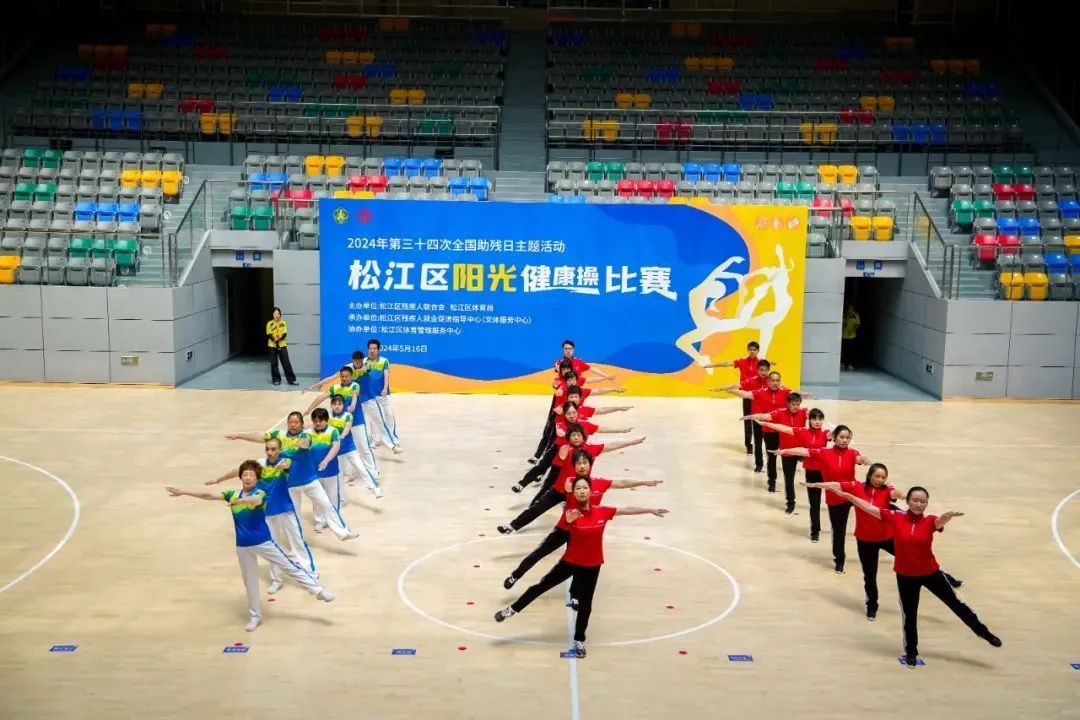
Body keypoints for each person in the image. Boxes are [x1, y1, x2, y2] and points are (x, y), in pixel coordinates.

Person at [494, 475, 669, 659]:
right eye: (578, 488)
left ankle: (579, 640)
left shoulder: (602, 512)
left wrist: (650, 510)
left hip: (592, 566)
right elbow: (566, 490)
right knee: (541, 586)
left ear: (590, 491)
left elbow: (626, 510)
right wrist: (569, 518)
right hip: (569, 562)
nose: (582, 491)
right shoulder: (570, 514)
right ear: (574, 493)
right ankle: (511, 610)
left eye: (585, 488)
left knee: (586, 605)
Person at [828, 484, 1001, 667]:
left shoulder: (929, 521)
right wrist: (848, 496)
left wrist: (947, 516)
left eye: (923, 501)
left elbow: (939, 522)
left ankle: (984, 633)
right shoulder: (895, 517)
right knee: (910, 616)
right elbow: (869, 507)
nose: (919, 504)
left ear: (926, 504)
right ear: (908, 501)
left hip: (931, 573)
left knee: (956, 604)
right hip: (905, 577)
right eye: (915, 500)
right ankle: (911, 653)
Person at [168, 460, 333, 632]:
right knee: (250, 582)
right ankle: (255, 617)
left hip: (264, 542)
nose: (248, 478)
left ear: (257, 478)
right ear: (240, 477)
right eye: (245, 474)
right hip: (243, 546)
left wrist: (240, 502)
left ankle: (318, 591)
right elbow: (208, 495)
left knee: (289, 566)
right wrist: (184, 492)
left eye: (251, 475)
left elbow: (255, 500)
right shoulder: (232, 494)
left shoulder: (260, 493)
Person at [503, 449, 662, 590]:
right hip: (565, 528)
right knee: (540, 552)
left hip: (584, 533)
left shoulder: (600, 483)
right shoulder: (571, 482)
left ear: (590, 464)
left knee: (579, 564)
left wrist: (644, 482)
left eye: (585, 462)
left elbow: (622, 483)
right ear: (574, 466)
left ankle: (575, 596)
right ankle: (515, 575)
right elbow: (567, 487)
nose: (582, 466)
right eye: (578, 463)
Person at [210, 436, 315, 592]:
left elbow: (287, 464)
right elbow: (239, 471)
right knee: (274, 546)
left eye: (273, 449)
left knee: (297, 541)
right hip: (266, 513)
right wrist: (219, 479)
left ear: (280, 450)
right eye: (267, 449)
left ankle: (310, 572)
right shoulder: (259, 465)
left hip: (285, 510)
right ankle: (276, 579)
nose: (270, 452)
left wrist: (285, 463)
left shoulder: (285, 461)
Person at [498, 425, 646, 534]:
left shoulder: (591, 449)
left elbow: (612, 445)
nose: (576, 437)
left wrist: (631, 442)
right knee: (537, 508)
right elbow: (556, 468)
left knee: (580, 522)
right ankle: (512, 526)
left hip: (578, 492)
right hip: (558, 490)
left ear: (584, 436)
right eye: (573, 435)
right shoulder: (564, 449)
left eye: (578, 435)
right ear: (569, 437)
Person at [774, 424, 868, 574]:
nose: (845, 440)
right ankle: (839, 560)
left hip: (852, 492)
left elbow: (859, 458)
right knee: (839, 531)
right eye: (842, 437)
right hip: (835, 498)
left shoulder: (852, 453)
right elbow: (804, 451)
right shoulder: (824, 452)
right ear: (834, 437)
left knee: (873, 511)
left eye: (847, 438)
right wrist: (784, 451)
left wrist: (864, 459)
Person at [721, 370, 806, 488]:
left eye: (777, 380)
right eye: (773, 380)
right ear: (768, 381)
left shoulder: (786, 393)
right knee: (771, 457)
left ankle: (789, 483)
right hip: (769, 431)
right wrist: (729, 390)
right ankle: (772, 481)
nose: (775, 383)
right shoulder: (761, 393)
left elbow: (796, 397)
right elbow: (745, 394)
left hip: (783, 431)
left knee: (788, 457)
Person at [759, 408, 831, 541]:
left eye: (820, 419)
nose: (817, 422)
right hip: (812, 472)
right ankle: (815, 530)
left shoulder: (826, 434)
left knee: (834, 501)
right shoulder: (803, 432)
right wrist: (765, 423)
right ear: (809, 420)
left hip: (826, 471)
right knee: (814, 503)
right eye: (814, 419)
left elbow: (837, 435)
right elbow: (784, 428)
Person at [742, 391, 807, 512]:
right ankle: (790, 502)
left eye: (797, 404)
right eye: (793, 404)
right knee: (789, 478)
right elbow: (765, 416)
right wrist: (751, 416)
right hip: (787, 452)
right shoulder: (780, 413)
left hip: (801, 450)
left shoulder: (804, 412)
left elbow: (814, 416)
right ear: (787, 404)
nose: (795, 407)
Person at [705, 341, 773, 455]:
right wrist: (712, 365)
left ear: (758, 351)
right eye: (750, 349)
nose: (752, 351)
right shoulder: (742, 361)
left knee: (762, 420)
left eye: (755, 349)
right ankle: (748, 445)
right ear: (748, 350)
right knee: (747, 420)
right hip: (746, 394)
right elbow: (727, 363)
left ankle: (766, 446)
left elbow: (768, 371)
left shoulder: (761, 363)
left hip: (760, 397)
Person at [327, 394, 381, 498]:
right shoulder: (328, 416)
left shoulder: (348, 416)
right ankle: (339, 499)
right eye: (334, 404)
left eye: (339, 404)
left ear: (343, 405)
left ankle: (374, 489)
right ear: (331, 405)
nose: (337, 406)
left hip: (349, 449)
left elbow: (347, 429)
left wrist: (341, 435)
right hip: (336, 452)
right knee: (338, 476)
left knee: (361, 468)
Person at [360, 339, 402, 454]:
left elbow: (386, 375)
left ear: (378, 350)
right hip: (371, 395)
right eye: (370, 348)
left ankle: (393, 438)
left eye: (374, 349)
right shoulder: (364, 361)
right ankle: (375, 440)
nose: (372, 351)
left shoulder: (384, 361)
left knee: (389, 415)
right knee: (374, 419)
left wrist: (385, 388)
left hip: (383, 394)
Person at [266, 307, 297, 386]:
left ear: (280, 315)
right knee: (274, 363)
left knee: (286, 362)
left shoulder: (283, 323)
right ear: (272, 315)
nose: (276, 315)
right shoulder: (269, 323)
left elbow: (284, 333)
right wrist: (276, 344)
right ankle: (276, 380)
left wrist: (279, 343)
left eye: (278, 313)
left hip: (282, 345)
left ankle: (292, 380)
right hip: (272, 345)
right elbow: (269, 334)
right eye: (275, 314)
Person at [841, 304, 860, 371]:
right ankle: (844, 363)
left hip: (852, 336)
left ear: (853, 308)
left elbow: (858, 324)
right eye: (848, 308)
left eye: (851, 308)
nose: (849, 309)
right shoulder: (845, 315)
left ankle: (849, 364)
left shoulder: (855, 315)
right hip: (844, 335)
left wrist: (853, 330)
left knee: (851, 351)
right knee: (844, 350)